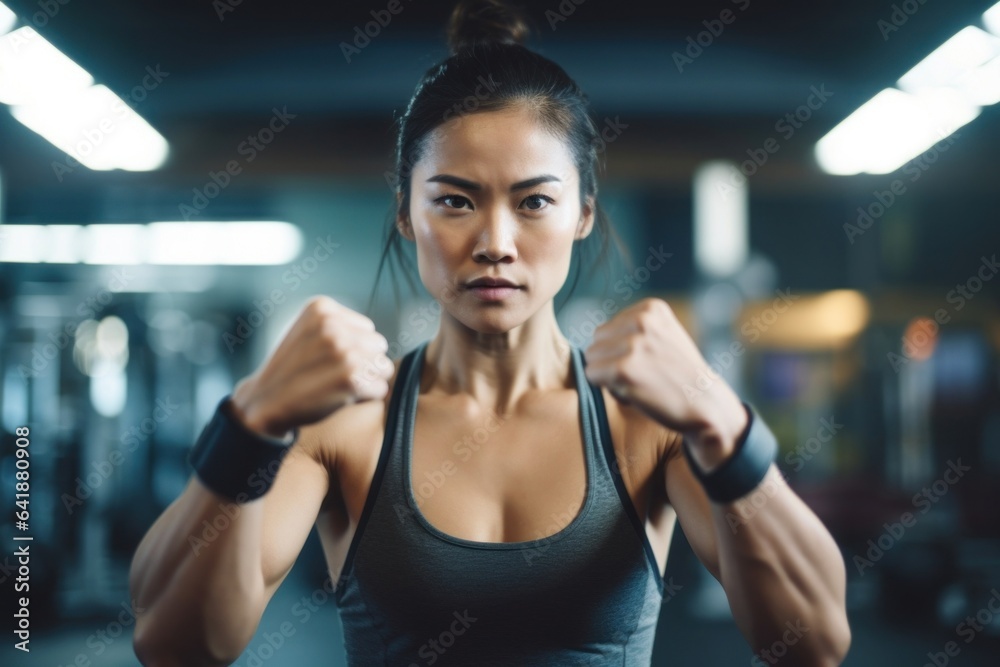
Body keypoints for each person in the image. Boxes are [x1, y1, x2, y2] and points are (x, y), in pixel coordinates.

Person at [129, 1, 851, 664]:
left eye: (535, 200)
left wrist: (724, 423)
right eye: (455, 201)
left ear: (584, 214)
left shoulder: (643, 423)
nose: (496, 241)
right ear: (408, 215)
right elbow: (174, 643)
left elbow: (813, 640)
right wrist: (250, 424)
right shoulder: (349, 425)